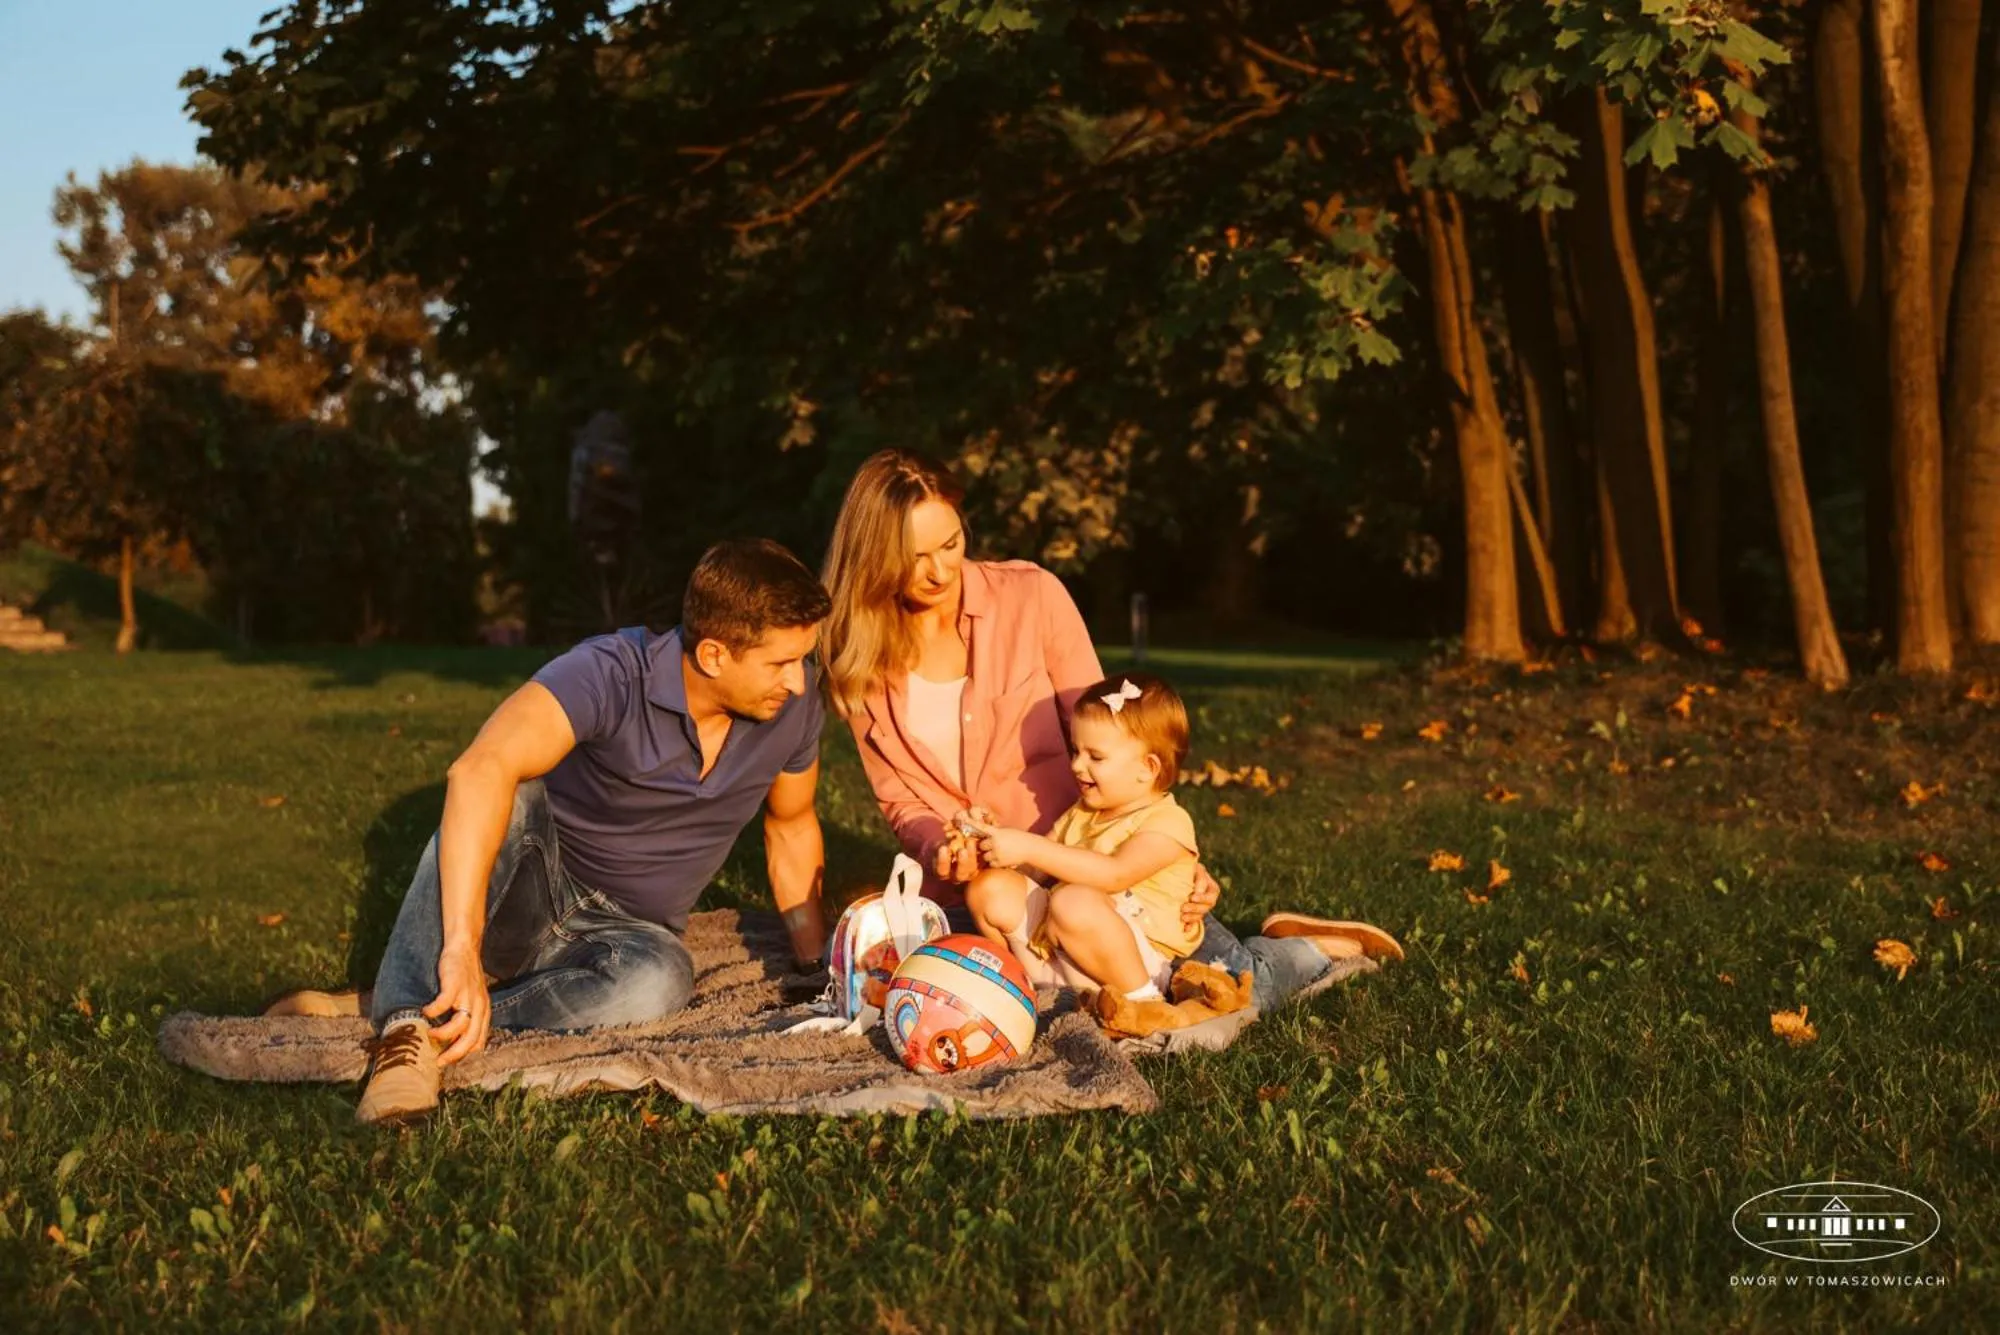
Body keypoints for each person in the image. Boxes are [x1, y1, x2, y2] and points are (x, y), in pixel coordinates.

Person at [265, 539, 833, 1124]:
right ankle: (405, 1032)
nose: (798, 681)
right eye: (780, 663)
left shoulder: (794, 707)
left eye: (802, 659)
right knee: (505, 786)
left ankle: (414, 1013)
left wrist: (818, 969)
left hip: (627, 934)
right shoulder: (609, 672)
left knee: (662, 982)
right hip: (527, 887)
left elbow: (790, 827)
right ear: (714, 655)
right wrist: (460, 947)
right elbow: (478, 769)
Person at [818, 449, 1400, 1020]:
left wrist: (1160, 852)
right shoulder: (859, 663)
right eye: (914, 557)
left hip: (1100, 872)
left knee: (1236, 988)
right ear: (873, 559)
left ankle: (1305, 947)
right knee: (1025, 1005)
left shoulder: (1030, 597)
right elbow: (902, 801)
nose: (940, 571)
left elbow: (1116, 736)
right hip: (991, 900)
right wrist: (940, 849)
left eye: (951, 544)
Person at [964, 672, 1208, 1004]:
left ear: (1147, 769)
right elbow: (1030, 873)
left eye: (1095, 757)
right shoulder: (1080, 814)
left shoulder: (1168, 822)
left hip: (1132, 963)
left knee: (1073, 902)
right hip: (1058, 948)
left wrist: (1032, 846)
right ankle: (1015, 985)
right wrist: (992, 840)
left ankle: (1145, 1004)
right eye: (1075, 751)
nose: (1077, 766)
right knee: (990, 888)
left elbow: (1114, 874)